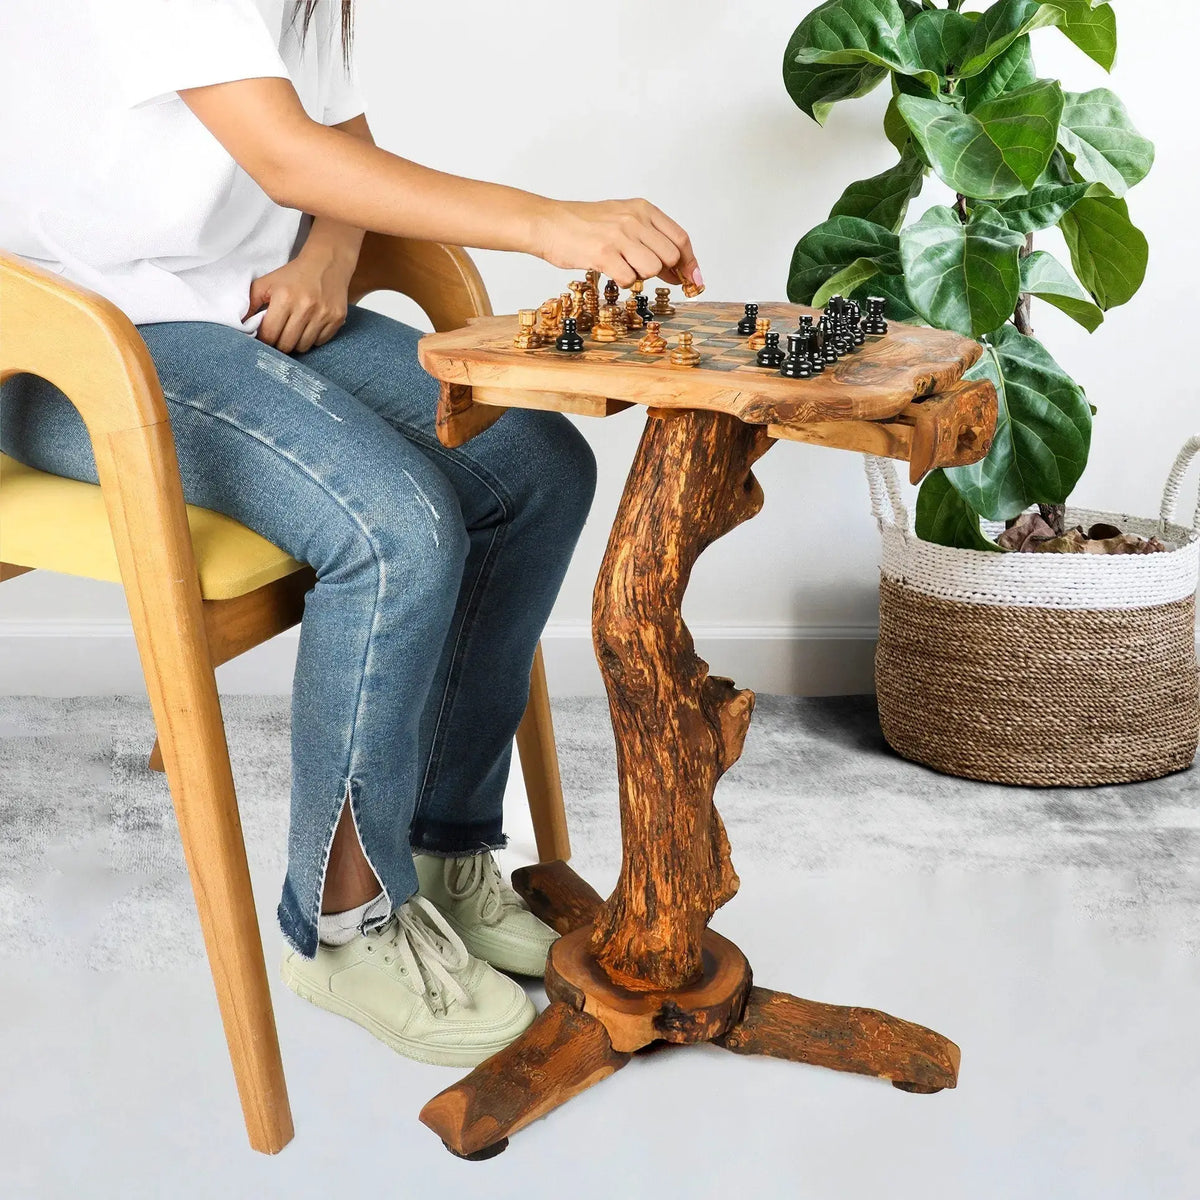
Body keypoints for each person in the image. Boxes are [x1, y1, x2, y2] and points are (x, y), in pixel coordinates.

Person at [0, 0, 702, 1068]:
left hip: (251, 313)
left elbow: (335, 143)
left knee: (534, 469)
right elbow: (287, 157)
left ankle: (441, 850)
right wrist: (547, 221)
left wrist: (331, 256)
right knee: (396, 529)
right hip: (83, 344)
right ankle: (343, 924)